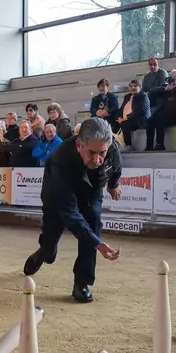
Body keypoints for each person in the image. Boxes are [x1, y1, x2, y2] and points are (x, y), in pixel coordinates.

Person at [22, 117, 122, 304]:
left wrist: (114, 184)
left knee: (92, 220)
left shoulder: (112, 150)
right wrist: (98, 243)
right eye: (91, 153)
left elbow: (116, 168)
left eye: (102, 152)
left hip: (91, 192)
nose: (98, 159)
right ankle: (41, 254)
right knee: (50, 246)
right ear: (79, 145)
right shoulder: (60, 160)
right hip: (58, 195)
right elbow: (69, 213)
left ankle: (82, 283)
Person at [118, 79, 151, 151]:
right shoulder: (127, 96)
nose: (133, 88)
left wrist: (125, 118)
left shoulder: (143, 96)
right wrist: (118, 117)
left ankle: (128, 146)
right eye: (131, 86)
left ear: (140, 87)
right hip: (129, 119)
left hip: (141, 120)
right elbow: (122, 108)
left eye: (135, 86)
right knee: (114, 123)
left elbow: (140, 111)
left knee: (125, 124)